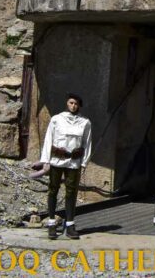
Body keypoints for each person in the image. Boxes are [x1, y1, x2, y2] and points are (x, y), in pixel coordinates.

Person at [41, 92, 92, 239]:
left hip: (74, 162)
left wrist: (84, 162)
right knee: (53, 189)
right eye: (71, 103)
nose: (73, 106)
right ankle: (52, 223)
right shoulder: (57, 119)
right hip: (57, 160)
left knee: (71, 192)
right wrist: (46, 160)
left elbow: (87, 143)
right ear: (67, 103)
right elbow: (48, 139)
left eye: (76, 104)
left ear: (79, 106)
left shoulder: (85, 122)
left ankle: (70, 225)